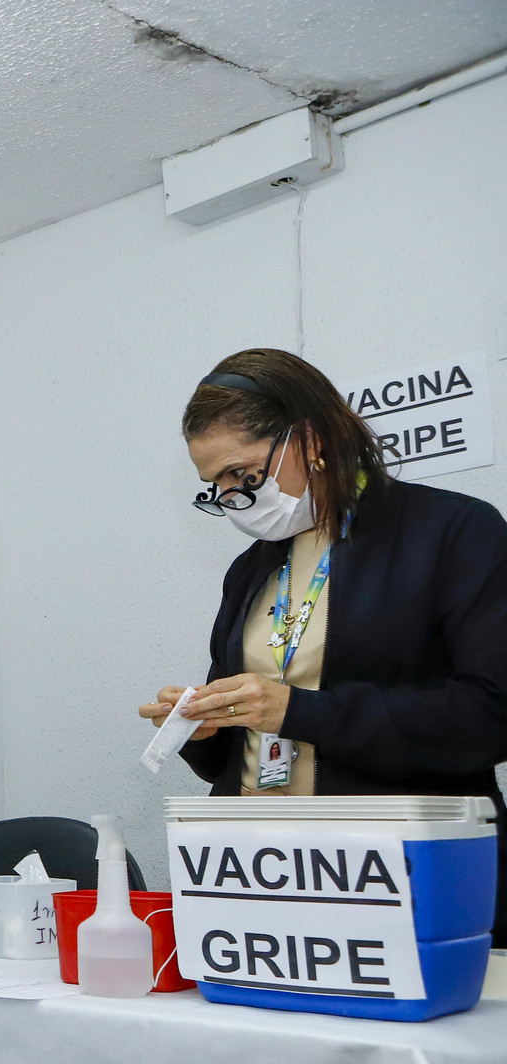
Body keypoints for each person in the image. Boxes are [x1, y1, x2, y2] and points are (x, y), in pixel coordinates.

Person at [141, 349, 507, 941]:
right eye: (216, 487)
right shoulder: (251, 569)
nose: (233, 498)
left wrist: (298, 711)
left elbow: (491, 712)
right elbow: (242, 744)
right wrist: (203, 724)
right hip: (264, 876)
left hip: (398, 876)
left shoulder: (453, 532)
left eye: (243, 474)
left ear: (309, 438)